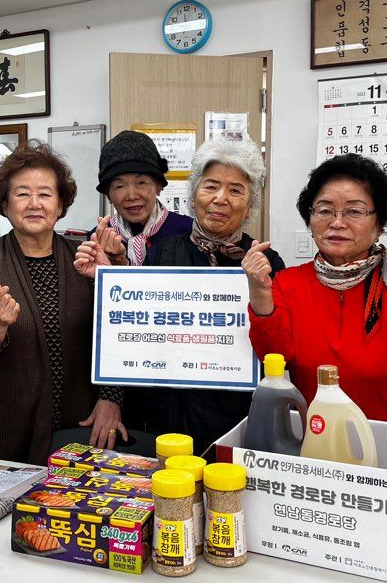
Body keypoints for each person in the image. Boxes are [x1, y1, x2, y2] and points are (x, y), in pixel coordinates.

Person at [76, 136, 283, 452]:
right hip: (163, 418)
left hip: (238, 419)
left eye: (236, 190)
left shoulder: (265, 261)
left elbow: (279, 345)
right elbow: (136, 327)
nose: (220, 199)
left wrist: (259, 290)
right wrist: (114, 278)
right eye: (210, 186)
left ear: (251, 203)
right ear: (194, 193)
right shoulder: (163, 250)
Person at [246, 154, 387, 426]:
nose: (337, 222)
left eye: (354, 211)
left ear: (379, 224)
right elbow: (276, 360)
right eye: (324, 210)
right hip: (308, 440)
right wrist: (260, 294)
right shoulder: (287, 284)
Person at [0, 142, 122, 464]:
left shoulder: (86, 257)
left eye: (45, 194)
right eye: (22, 194)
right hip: (6, 426)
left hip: (81, 422)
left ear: (61, 204)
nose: (34, 204)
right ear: (5, 203)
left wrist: (111, 399)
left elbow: (118, 338)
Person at [88, 130, 192, 266]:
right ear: (108, 194)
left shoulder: (188, 231)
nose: (131, 196)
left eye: (141, 183)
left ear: (159, 186)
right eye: (119, 186)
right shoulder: (97, 239)